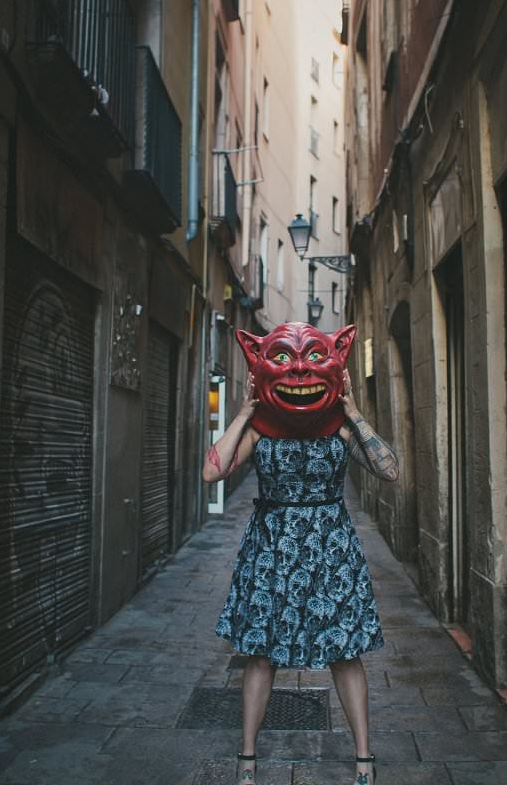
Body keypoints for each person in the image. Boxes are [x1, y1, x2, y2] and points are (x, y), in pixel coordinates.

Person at [202, 323, 399, 785]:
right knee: (261, 653)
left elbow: (390, 469)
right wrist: (245, 412)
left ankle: (364, 760)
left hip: (330, 547)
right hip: (272, 549)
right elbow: (212, 473)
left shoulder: (341, 431)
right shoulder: (259, 433)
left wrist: (353, 411)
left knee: (345, 651)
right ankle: (247, 760)